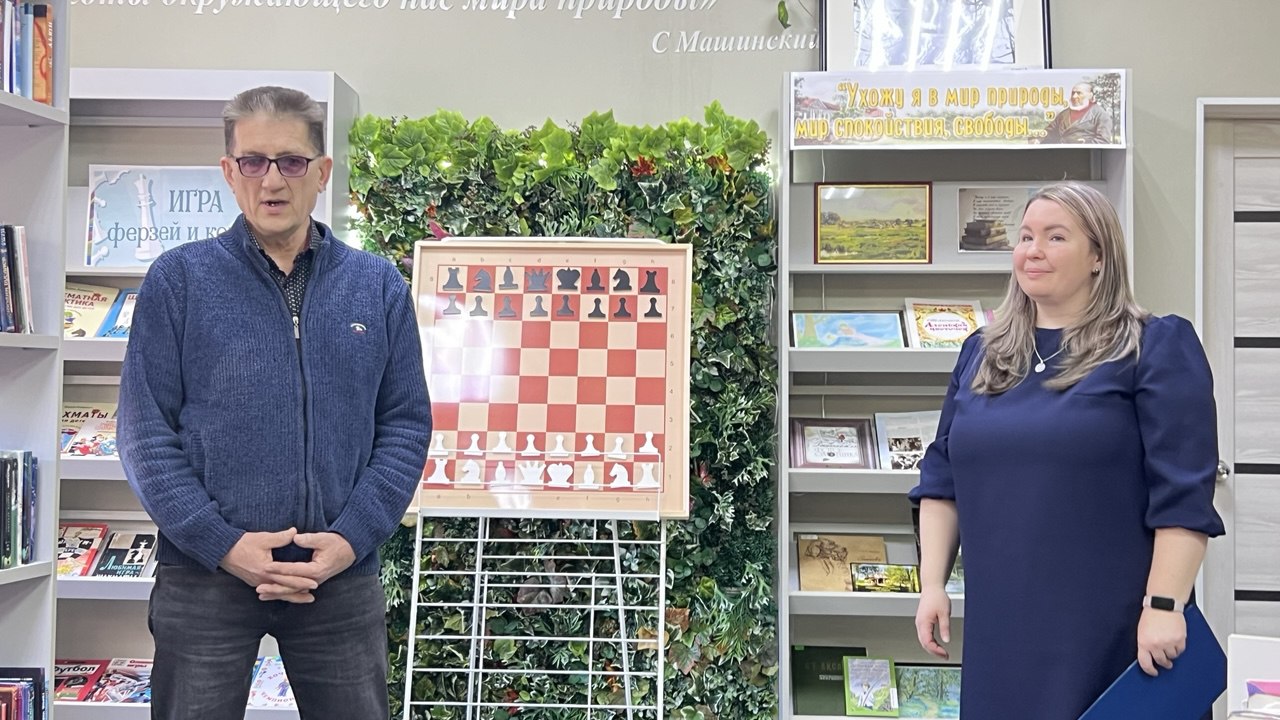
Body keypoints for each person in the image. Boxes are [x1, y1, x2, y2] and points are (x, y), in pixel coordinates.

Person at [117, 85, 432, 720]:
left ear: (322, 171)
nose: (272, 180)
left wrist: (349, 539)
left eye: (290, 161)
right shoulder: (179, 280)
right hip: (205, 576)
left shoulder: (377, 286)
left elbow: (404, 426)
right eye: (253, 161)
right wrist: (222, 543)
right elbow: (145, 435)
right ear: (229, 172)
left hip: (337, 578)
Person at [909, 182, 1224, 720]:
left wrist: (1165, 605)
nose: (1033, 251)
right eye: (1026, 237)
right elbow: (941, 479)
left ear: (1099, 255)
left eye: (1056, 237)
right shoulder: (981, 354)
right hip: (1002, 633)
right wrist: (932, 585)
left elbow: (1183, 495)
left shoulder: (1153, 346)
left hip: (1115, 633)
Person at [1039, 82, 1114, 144]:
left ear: (1090, 95)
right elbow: (1050, 131)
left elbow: (1104, 140)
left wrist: (1085, 143)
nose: (1074, 96)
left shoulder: (1100, 114)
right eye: (1073, 93)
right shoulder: (1064, 114)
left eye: (1079, 93)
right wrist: (1038, 139)